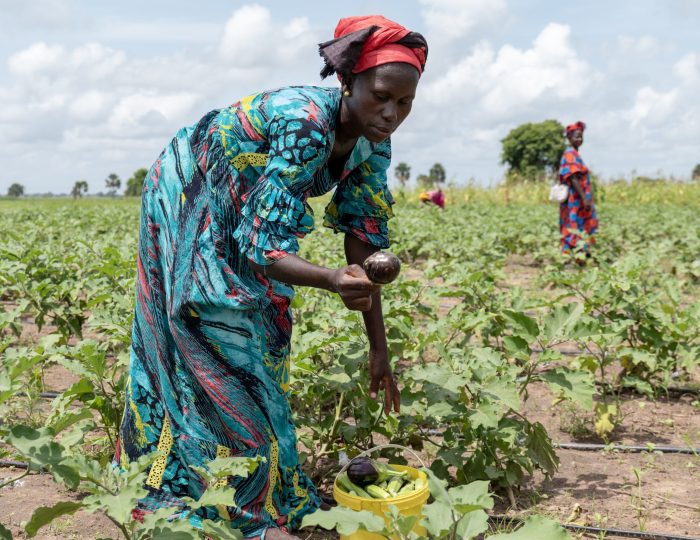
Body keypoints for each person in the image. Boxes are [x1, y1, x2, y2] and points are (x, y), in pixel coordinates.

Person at [113, 15, 428, 540]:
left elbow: (364, 243)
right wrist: (331, 279)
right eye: (381, 97)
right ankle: (225, 505)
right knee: (211, 328)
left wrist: (380, 348)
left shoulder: (374, 141)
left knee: (264, 335)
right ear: (348, 83)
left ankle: (263, 488)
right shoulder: (306, 123)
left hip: (248, 211)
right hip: (192, 190)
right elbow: (263, 249)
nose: (392, 113)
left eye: (405, 103)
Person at [558, 121, 598, 261]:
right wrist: (584, 198)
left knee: (579, 226)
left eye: (581, 137)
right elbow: (573, 178)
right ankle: (571, 256)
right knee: (573, 226)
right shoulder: (570, 154)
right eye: (576, 137)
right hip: (574, 200)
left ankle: (581, 255)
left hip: (578, 199)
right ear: (569, 138)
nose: (579, 139)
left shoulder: (574, 153)